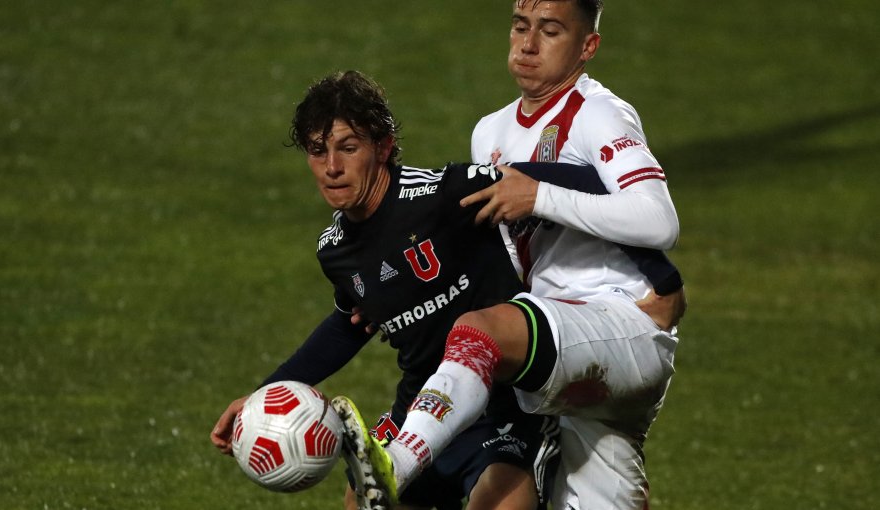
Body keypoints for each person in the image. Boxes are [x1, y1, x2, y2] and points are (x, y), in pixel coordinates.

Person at [210, 71, 683, 510]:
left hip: (500, 410)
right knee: (359, 503)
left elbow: (586, 181)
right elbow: (345, 325)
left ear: (383, 145)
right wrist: (262, 394)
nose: (332, 167)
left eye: (347, 147)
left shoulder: (443, 196)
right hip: (417, 404)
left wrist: (661, 279)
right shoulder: (334, 249)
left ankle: (540, 465)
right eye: (317, 151)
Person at [336, 1, 686, 509]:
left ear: (587, 47)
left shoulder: (599, 114)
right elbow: (499, 253)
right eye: (521, 27)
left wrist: (538, 196)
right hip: (559, 350)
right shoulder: (490, 132)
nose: (527, 44)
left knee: (480, 332)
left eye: (550, 31)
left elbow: (659, 220)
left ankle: (399, 462)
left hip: (618, 321)